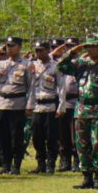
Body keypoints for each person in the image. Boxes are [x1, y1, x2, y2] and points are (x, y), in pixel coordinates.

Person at [56, 35, 98, 190]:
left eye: (94, 47)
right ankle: (86, 177)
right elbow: (61, 67)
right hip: (81, 109)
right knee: (81, 145)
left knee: (97, 144)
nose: (91, 50)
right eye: (89, 47)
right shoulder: (80, 64)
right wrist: (71, 52)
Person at [0, 36, 34, 175]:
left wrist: (30, 105)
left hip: (18, 104)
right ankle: (5, 164)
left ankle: (16, 165)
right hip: (2, 104)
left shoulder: (27, 64)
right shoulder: (1, 64)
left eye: (12, 46)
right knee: (2, 136)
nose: (9, 49)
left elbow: (31, 87)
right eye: (7, 46)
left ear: (20, 47)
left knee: (16, 137)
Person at [29, 40, 64, 174]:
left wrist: (61, 106)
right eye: (36, 51)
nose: (38, 53)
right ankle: (40, 163)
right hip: (37, 106)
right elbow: (30, 87)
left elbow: (61, 87)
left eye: (41, 50)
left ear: (48, 50)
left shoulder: (55, 66)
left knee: (51, 137)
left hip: (50, 105)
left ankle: (51, 163)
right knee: (37, 137)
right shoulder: (32, 66)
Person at [57, 36, 81, 173]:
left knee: (75, 135)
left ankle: (77, 160)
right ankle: (64, 160)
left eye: (73, 46)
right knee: (63, 135)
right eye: (67, 46)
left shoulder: (80, 63)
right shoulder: (62, 63)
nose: (70, 48)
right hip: (62, 102)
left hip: (76, 102)